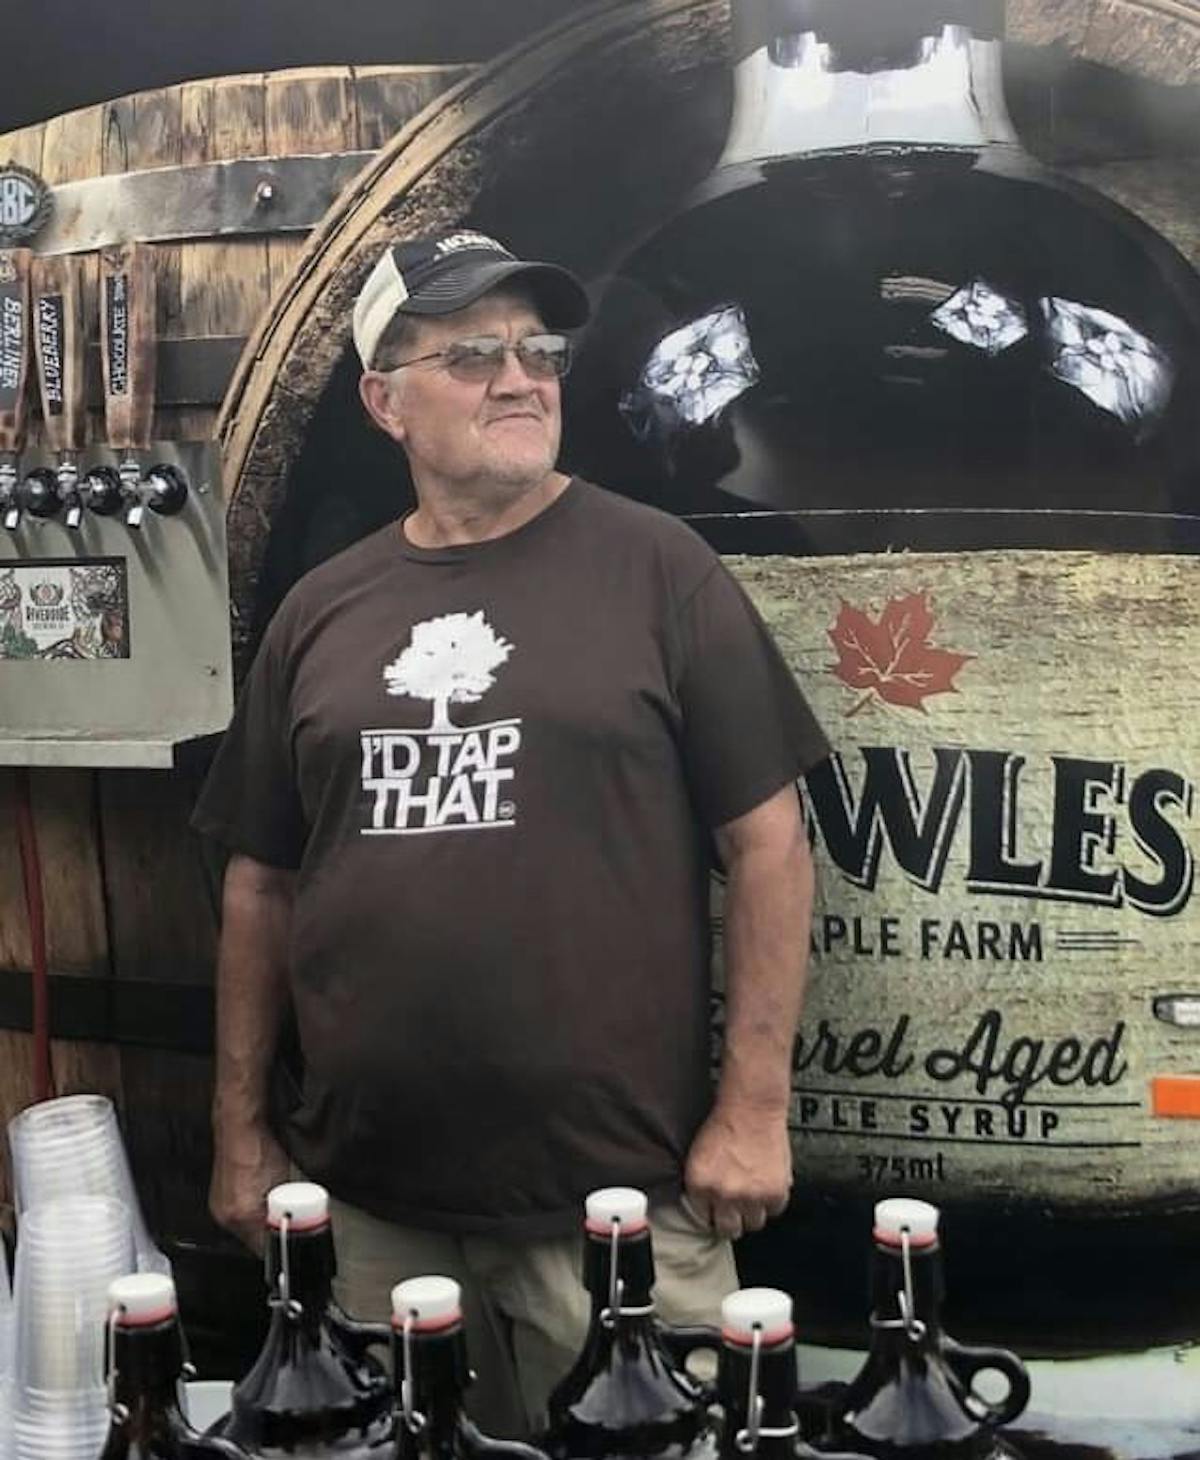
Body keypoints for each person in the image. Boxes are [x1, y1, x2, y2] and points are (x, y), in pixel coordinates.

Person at [192, 229, 829, 1436]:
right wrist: (240, 1135)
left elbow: (769, 843)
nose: (521, 376)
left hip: (613, 1208)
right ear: (385, 401)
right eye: (472, 352)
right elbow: (259, 884)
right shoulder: (323, 611)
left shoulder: (661, 571)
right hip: (369, 1210)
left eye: (538, 348)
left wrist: (754, 1106)